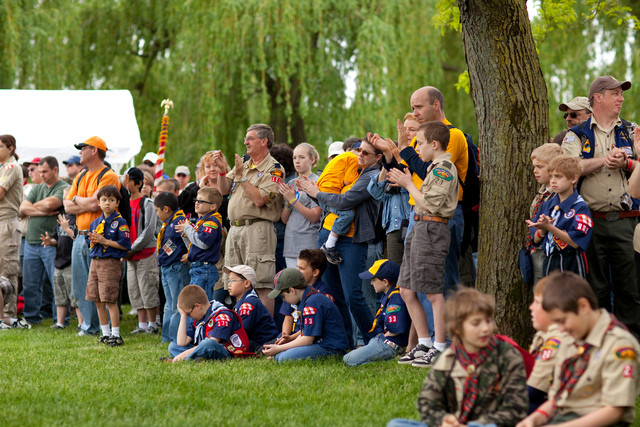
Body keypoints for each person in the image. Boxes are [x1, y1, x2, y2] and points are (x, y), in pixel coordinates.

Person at [561, 75, 640, 339]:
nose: (621, 98)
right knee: (595, 290)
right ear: (598, 97)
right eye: (615, 93)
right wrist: (604, 160)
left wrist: (626, 163)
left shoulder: (631, 130)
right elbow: (569, 168)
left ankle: (631, 348)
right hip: (591, 222)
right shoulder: (576, 135)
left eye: (621, 94)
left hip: (628, 221)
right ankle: (599, 347)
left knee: (630, 290)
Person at [388, 288, 528, 427]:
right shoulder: (447, 359)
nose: (486, 328)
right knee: (395, 424)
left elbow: (515, 409)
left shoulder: (506, 355)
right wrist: (444, 420)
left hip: (487, 424)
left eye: (488, 321)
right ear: (457, 328)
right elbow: (427, 403)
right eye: (476, 323)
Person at [516, 271, 640, 427]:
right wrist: (536, 418)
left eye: (562, 321)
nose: (560, 330)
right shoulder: (570, 339)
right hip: (560, 417)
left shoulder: (618, 345)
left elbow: (614, 411)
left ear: (583, 306)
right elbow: (559, 398)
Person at [297, 136, 382, 348]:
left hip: (352, 239)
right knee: (333, 293)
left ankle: (373, 342)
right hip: (328, 233)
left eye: (366, 153)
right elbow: (330, 202)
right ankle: (343, 343)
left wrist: (317, 192)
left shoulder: (372, 174)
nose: (360, 155)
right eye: (359, 150)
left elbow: (344, 201)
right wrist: (316, 194)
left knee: (353, 295)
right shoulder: (350, 165)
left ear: (378, 157)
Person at [385, 121, 459, 367]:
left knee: (433, 292)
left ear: (434, 144)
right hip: (420, 226)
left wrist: (408, 185)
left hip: (432, 227)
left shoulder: (444, 168)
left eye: (420, 143)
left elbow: (431, 204)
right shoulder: (433, 167)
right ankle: (424, 343)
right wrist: (409, 182)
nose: (418, 149)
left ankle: (440, 347)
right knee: (406, 289)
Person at [213, 124, 284, 316]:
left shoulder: (274, 169)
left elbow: (260, 200)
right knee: (236, 283)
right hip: (235, 229)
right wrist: (221, 171)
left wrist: (242, 178)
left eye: (250, 138)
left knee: (261, 284)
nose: (245, 142)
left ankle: (263, 336)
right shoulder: (244, 163)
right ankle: (241, 332)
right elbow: (223, 190)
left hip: (258, 229)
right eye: (245, 138)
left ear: (264, 141)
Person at [64, 136, 122, 336]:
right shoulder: (81, 175)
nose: (80, 151)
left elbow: (92, 204)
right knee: (82, 285)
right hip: (79, 236)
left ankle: (106, 329)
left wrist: (76, 200)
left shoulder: (109, 175)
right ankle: (90, 327)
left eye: (83, 148)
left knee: (102, 285)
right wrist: (82, 202)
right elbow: (66, 205)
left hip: (100, 239)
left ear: (95, 150)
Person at [20, 156, 69, 325]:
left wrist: (32, 208)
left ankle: (61, 319)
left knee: (56, 282)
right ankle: (32, 318)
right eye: (39, 172)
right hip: (31, 241)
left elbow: (52, 204)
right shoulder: (36, 187)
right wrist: (40, 212)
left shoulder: (64, 187)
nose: (41, 175)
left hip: (51, 242)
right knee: (30, 284)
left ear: (55, 170)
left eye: (45, 172)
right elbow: (22, 208)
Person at [262, 268, 348, 362]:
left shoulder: (312, 303)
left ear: (292, 290)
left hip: (330, 349)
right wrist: (290, 339)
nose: (283, 300)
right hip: (320, 344)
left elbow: (307, 340)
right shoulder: (308, 297)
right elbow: (306, 332)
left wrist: (279, 348)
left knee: (283, 358)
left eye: (283, 296)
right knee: (279, 356)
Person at [527, 156, 592, 278]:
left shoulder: (580, 207)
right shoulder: (547, 204)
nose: (553, 181)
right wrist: (542, 229)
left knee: (570, 296)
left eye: (558, 176)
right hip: (549, 259)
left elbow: (575, 242)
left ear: (574, 178)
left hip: (570, 261)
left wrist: (549, 227)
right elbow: (535, 239)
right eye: (551, 176)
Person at [86, 185, 131, 347]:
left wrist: (105, 241)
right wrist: (92, 240)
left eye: (111, 200)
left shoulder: (120, 222)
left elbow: (125, 244)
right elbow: (89, 242)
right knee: (97, 299)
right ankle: (105, 333)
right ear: (98, 202)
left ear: (117, 202)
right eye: (104, 200)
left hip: (110, 263)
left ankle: (116, 334)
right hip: (95, 263)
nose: (107, 203)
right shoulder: (95, 223)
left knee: (109, 299)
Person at [343, 259, 409, 366]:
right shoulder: (388, 295)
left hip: (391, 344)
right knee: (349, 357)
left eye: (373, 279)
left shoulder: (395, 299)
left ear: (385, 282)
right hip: (384, 339)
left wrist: (381, 339)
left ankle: (386, 359)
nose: (371, 283)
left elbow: (396, 329)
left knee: (349, 359)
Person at [166, 284, 252, 362]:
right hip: (206, 349)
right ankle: (197, 359)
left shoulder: (223, 315)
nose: (190, 317)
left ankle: (185, 360)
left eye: (188, 313)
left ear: (198, 306)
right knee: (173, 346)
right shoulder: (199, 318)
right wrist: (183, 315)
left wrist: (183, 354)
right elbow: (181, 342)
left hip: (227, 353)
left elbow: (214, 342)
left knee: (208, 344)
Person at [526, 276, 573, 414]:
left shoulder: (556, 340)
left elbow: (534, 390)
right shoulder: (543, 335)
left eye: (537, 302)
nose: (531, 307)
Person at [124, 167, 160, 334]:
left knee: (148, 288)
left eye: (128, 181)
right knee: (134, 289)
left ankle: (153, 324)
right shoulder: (124, 204)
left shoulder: (147, 204)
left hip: (145, 253)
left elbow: (149, 229)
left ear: (138, 183)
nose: (125, 184)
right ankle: (142, 324)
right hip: (130, 255)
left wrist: (133, 248)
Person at [315, 141, 361, 264]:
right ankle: (329, 245)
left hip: (323, 193)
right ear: (357, 151)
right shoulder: (353, 159)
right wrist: (360, 175)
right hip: (329, 195)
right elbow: (348, 180)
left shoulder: (343, 157)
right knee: (347, 214)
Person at [175, 187, 223, 301]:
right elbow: (195, 247)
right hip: (198, 268)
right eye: (196, 200)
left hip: (205, 269)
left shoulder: (211, 222)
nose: (197, 203)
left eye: (201, 201)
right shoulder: (202, 222)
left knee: (201, 304)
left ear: (213, 206)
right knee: (195, 302)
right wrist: (186, 236)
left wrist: (188, 228)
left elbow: (203, 243)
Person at [154, 191, 190, 343]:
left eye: (157, 210)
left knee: (177, 306)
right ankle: (167, 337)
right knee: (169, 305)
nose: (157, 214)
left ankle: (176, 337)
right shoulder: (170, 222)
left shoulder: (179, 223)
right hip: (168, 267)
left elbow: (173, 248)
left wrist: (190, 253)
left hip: (176, 269)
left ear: (166, 209)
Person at [277, 249, 336, 340]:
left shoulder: (323, 294)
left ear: (315, 272)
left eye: (301, 268)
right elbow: (288, 317)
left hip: (309, 336)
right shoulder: (292, 288)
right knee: (263, 349)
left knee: (282, 353)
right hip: (291, 335)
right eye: (297, 267)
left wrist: (290, 339)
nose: (297, 271)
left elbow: (314, 327)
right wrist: (284, 337)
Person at [280, 143, 322, 268]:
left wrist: (293, 201)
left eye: (302, 157)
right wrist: (288, 204)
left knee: (308, 284)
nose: (297, 161)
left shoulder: (316, 182)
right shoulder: (291, 183)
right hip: (291, 244)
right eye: (294, 158)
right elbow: (284, 219)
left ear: (312, 160)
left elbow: (314, 216)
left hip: (308, 242)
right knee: (293, 284)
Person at [528, 143, 564, 284]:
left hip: (548, 252)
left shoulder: (558, 196)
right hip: (536, 249)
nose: (535, 171)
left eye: (540, 167)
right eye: (534, 167)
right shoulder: (542, 191)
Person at [0, 135, 25, 328]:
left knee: (7, 270)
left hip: (6, 224)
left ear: (10, 148)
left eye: (0, 146)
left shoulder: (11, 167)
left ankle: (9, 316)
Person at [225, 264, 278, 351]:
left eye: (233, 281)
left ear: (246, 283)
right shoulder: (243, 301)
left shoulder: (249, 303)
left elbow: (242, 331)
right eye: (228, 281)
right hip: (254, 341)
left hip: (261, 344)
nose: (229, 284)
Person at [40, 207, 77, 330]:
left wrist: (67, 228)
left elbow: (78, 238)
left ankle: (82, 323)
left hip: (71, 261)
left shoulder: (79, 218)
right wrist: (49, 242)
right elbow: (56, 238)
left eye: (68, 199)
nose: (66, 203)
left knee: (75, 295)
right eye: (64, 200)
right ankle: (60, 323)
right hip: (59, 261)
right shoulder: (62, 218)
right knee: (59, 295)